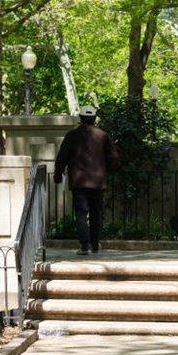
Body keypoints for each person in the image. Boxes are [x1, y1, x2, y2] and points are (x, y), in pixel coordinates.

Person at [54, 106, 119, 256]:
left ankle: (84, 246)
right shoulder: (103, 135)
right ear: (94, 118)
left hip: (79, 182)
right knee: (96, 213)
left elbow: (62, 157)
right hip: (98, 182)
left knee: (81, 213)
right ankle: (95, 245)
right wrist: (105, 169)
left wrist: (57, 175)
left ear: (80, 118)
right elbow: (114, 158)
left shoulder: (72, 135)